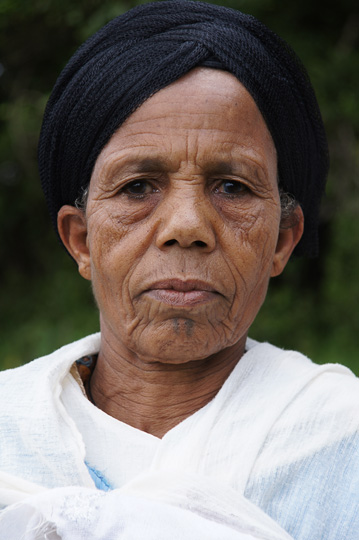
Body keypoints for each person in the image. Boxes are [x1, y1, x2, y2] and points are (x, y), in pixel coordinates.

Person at [0, 1, 358, 538]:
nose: (187, 226)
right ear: (81, 240)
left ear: (282, 240)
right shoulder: (10, 434)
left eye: (232, 187)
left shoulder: (342, 442)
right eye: (138, 186)